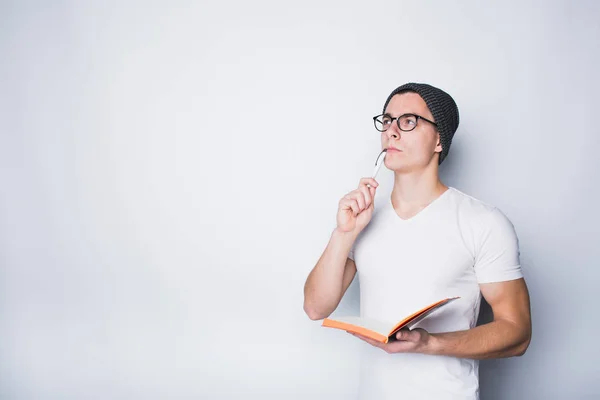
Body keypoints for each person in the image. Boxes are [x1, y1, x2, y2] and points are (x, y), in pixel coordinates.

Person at [303, 82, 532, 400]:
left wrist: (430, 343)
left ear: (439, 139)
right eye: (387, 120)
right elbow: (316, 307)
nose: (392, 131)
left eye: (408, 121)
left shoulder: (483, 222)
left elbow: (517, 333)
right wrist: (344, 233)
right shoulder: (365, 218)